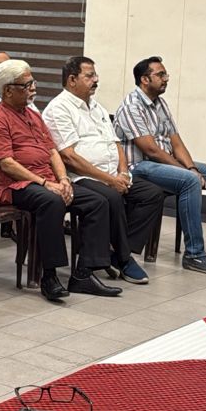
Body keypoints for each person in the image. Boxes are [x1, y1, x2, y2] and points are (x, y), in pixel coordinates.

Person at [0, 60, 122, 303]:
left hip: (47, 182)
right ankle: (49, 276)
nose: (33, 88)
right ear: (8, 90)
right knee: (52, 201)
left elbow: (52, 152)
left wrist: (63, 179)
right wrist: (45, 183)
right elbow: (7, 164)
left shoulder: (32, 115)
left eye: (33, 82)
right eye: (27, 85)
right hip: (14, 186)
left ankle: (83, 274)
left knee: (97, 201)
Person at [115, 56, 206, 275]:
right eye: (160, 75)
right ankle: (194, 254)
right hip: (139, 167)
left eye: (166, 74)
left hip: (161, 164)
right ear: (144, 79)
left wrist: (191, 167)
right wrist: (185, 172)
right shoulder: (131, 106)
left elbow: (177, 143)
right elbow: (151, 150)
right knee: (189, 181)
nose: (166, 79)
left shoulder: (160, 104)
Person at [43, 57, 164, 286]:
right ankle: (124, 259)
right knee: (111, 197)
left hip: (111, 174)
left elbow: (116, 143)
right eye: (89, 76)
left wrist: (123, 173)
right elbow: (69, 157)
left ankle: (116, 251)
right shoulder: (58, 109)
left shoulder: (96, 106)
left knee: (152, 194)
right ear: (72, 80)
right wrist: (110, 180)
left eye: (95, 75)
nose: (96, 80)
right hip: (81, 177)